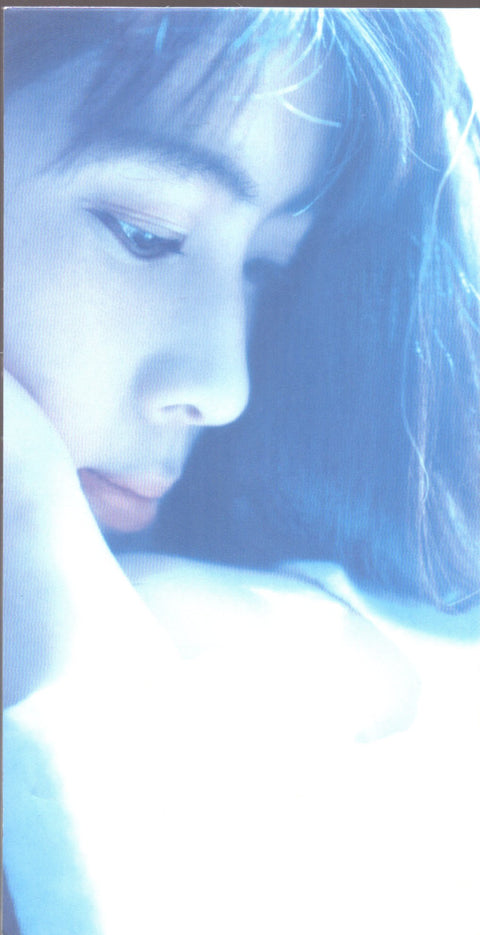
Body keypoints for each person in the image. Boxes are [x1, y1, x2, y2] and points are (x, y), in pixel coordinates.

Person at [3, 9, 480, 935]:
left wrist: (35, 530)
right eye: (146, 236)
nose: (224, 387)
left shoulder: (300, 656)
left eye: (265, 270)